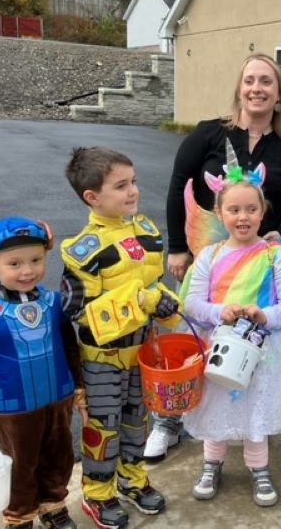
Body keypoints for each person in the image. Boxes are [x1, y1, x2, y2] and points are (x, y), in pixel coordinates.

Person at [159, 53, 281, 460]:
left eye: (266, 82)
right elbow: (178, 187)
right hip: (204, 254)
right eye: (250, 81)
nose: (256, 89)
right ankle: (169, 423)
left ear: (279, 95)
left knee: (245, 352)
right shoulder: (209, 133)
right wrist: (176, 247)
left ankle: (247, 428)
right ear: (239, 88)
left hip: (257, 260)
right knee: (190, 335)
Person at [179, 153, 281, 507]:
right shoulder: (208, 256)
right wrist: (219, 311)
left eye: (251, 210)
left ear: (263, 211)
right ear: (220, 213)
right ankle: (212, 463)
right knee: (216, 407)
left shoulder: (275, 255)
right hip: (220, 346)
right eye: (234, 210)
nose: (243, 217)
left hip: (264, 348)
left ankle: (259, 468)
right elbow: (192, 302)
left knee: (256, 408)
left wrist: (265, 314)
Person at [60, 147, 181, 529]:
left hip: (143, 350)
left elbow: (156, 284)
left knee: (136, 420)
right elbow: (82, 313)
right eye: (121, 186)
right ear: (92, 197)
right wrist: (142, 300)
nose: (133, 191)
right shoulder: (82, 251)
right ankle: (98, 493)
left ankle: (132, 477)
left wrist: (167, 303)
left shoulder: (147, 232)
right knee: (103, 426)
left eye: (134, 182)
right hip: (103, 358)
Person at [0, 217, 86, 529]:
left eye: (36, 260)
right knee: (19, 467)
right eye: (14, 263)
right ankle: (19, 517)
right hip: (13, 411)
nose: (27, 271)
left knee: (59, 458)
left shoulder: (56, 304)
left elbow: (71, 349)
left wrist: (79, 388)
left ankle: (53, 507)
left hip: (59, 401)